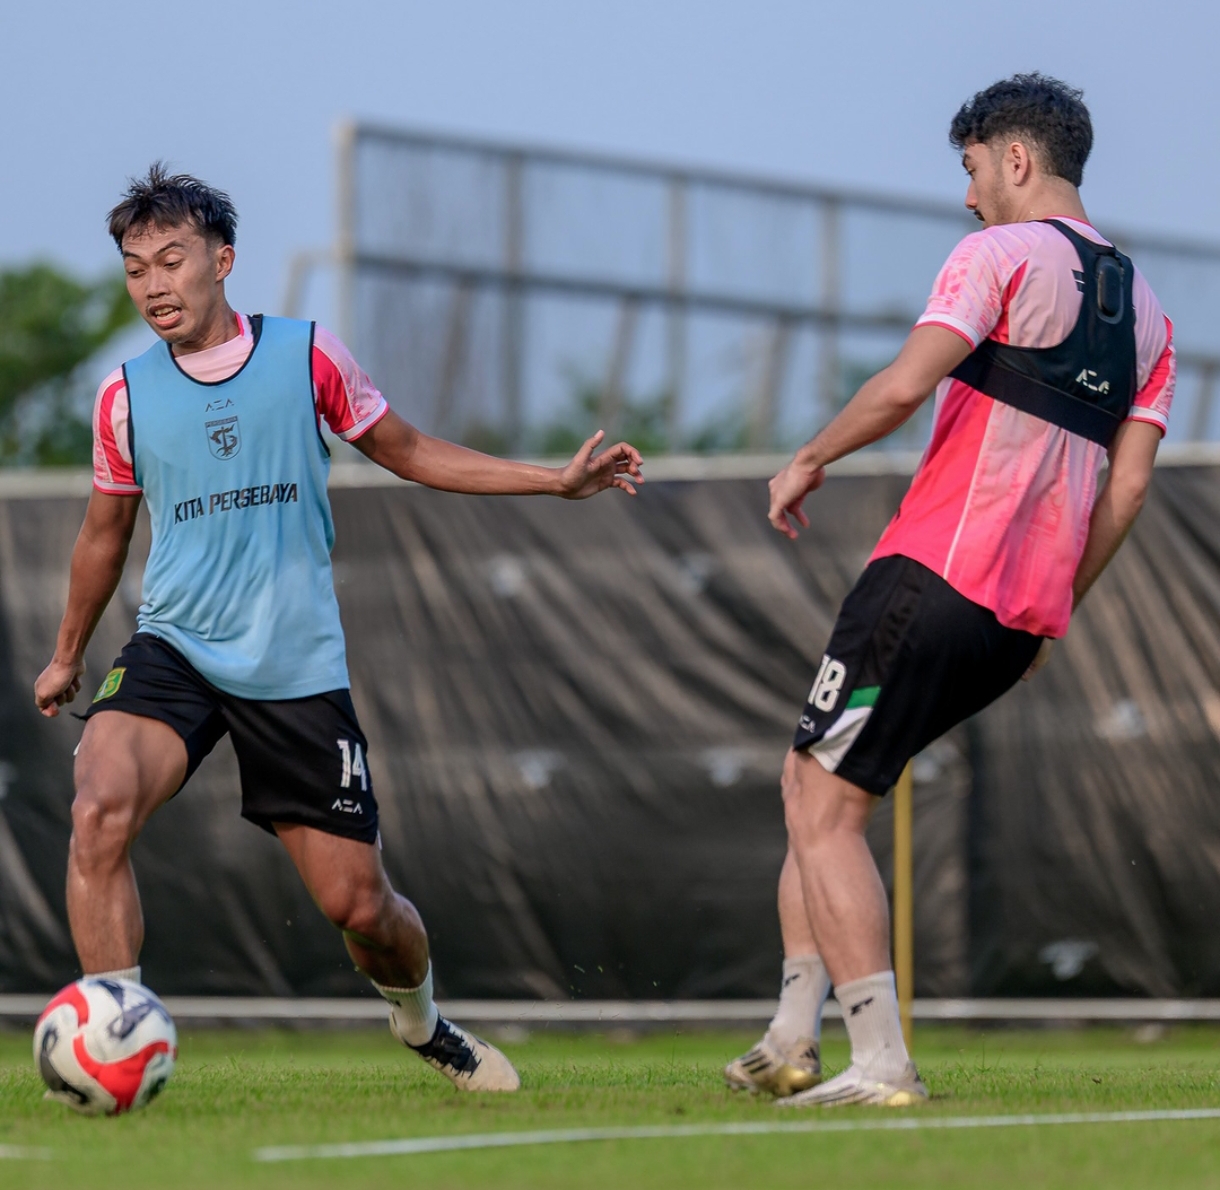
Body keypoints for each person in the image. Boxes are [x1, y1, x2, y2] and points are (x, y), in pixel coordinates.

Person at [34, 163, 644, 1093]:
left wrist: (552, 481)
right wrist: (68, 654)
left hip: (293, 666)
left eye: (172, 259)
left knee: (360, 906)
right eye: (135, 268)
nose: (154, 284)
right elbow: (102, 534)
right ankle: (112, 1040)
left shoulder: (309, 355)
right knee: (97, 808)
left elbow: (410, 452)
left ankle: (423, 1021)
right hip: (175, 650)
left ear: (223, 260)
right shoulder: (124, 398)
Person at [725, 73, 1175, 1107]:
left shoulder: (996, 255)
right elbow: (1129, 488)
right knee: (816, 782)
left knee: (822, 801)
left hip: (930, 576)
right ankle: (792, 1029)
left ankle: (877, 1057)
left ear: (1014, 159)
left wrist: (806, 456)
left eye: (971, 169)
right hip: (1016, 621)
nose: (967, 196)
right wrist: (1056, 604)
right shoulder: (1147, 314)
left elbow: (898, 385)